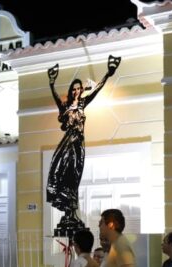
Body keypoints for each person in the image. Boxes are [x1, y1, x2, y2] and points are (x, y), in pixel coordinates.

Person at [46, 56, 119, 234]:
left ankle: (72, 212)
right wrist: (51, 83)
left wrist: (108, 75)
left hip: (78, 145)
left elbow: (96, 91)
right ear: (71, 91)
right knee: (63, 175)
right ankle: (68, 212)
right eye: (75, 89)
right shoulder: (65, 107)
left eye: (79, 89)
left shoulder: (83, 103)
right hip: (67, 144)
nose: (77, 91)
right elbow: (56, 98)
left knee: (74, 177)